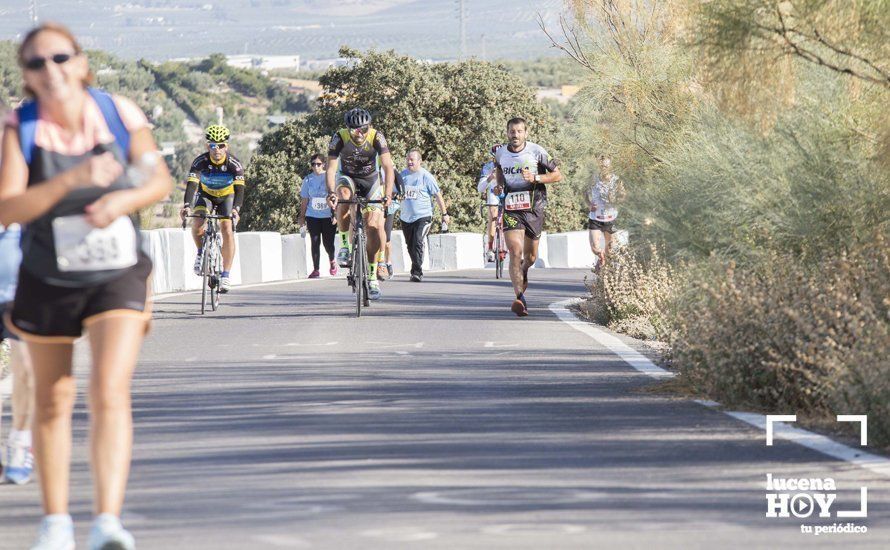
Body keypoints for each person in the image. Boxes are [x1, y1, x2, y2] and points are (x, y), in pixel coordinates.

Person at [0, 22, 172, 550]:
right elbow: (8, 206)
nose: (49, 70)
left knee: (108, 389)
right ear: (26, 77)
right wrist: (73, 182)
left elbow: (158, 179)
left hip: (116, 269)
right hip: (48, 272)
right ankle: (56, 524)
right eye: (35, 63)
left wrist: (120, 202)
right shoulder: (19, 126)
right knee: (52, 400)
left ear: (80, 62)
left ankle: (106, 523)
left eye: (59, 58)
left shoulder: (119, 113)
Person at [493, 117, 562, 317]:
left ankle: (524, 270)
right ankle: (519, 298)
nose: (515, 135)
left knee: (530, 257)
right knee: (515, 251)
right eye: (512, 131)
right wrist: (499, 186)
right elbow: (499, 170)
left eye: (519, 131)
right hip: (512, 208)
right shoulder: (500, 153)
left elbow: (557, 175)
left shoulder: (537, 151)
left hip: (534, 207)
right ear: (507, 133)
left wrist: (536, 178)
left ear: (526, 133)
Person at [326, 108, 394, 300]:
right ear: (348, 128)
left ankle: (372, 277)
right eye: (354, 129)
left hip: (370, 180)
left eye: (363, 128)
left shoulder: (376, 137)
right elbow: (331, 169)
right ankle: (346, 246)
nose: (359, 133)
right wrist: (331, 193)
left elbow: (388, 167)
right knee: (343, 196)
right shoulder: (339, 137)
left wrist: (387, 194)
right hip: (347, 177)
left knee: (373, 226)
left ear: (369, 126)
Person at [179, 124, 244, 293]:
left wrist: (236, 210)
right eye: (213, 145)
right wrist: (186, 206)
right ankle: (201, 252)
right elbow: (192, 185)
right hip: (206, 195)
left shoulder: (234, 164)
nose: (217, 149)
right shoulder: (200, 162)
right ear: (207, 146)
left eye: (221, 145)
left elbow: (240, 190)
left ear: (226, 146)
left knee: (227, 228)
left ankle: (226, 275)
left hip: (226, 197)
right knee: (198, 221)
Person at [399, 150, 450, 282]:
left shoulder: (426, 176)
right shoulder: (402, 176)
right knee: (410, 245)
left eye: (412, 160)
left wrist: (444, 214)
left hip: (423, 216)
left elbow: (437, 195)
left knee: (417, 241)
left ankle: (416, 272)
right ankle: (416, 267)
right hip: (406, 217)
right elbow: (394, 192)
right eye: (408, 159)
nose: (409, 162)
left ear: (419, 161)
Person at [297, 154, 337, 278]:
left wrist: (335, 214)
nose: (315, 166)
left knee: (328, 243)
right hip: (312, 215)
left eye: (318, 164)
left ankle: (332, 261)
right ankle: (316, 269)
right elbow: (305, 199)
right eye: (313, 164)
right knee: (315, 242)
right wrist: (302, 216)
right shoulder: (308, 179)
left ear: (324, 164)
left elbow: (336, 197)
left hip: (328, 216)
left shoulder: (330, 177)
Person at [588, 154, 624, 268]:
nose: (604, 167)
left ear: (611, 166)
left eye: (606, 166)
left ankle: (607, 269)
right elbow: (583, 193)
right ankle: (601, 256)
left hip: (611, 217)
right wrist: (589, 204)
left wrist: (615, 200)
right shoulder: (593, 178)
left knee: (611, 247)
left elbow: (623, 195)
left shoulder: (616, 180)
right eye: (602, 165)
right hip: (595, 217)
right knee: (595, 247)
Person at [477, 144, 503, 263]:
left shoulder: (509, 163)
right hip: (493, 192)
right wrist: (489, 178)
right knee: (493, 215)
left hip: (506, 191)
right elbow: (480, 188)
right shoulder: (488, 167)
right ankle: (491, 248)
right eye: (495, 158)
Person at [381, 167, 404, 280]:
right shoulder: (368, 168)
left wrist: (401, 193)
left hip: (389, 206)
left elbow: (399, 182)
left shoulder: (390, 168)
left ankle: (388, 262)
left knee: (386, 239)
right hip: (374, 205)